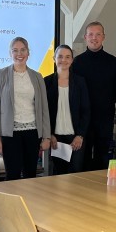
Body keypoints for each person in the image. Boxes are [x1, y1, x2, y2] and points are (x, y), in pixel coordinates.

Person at [0, 37, 51, 180]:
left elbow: (44, 108)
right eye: (15, 50)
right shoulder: (1, 75)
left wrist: (46, 136)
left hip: (33, 133)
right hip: (10, 134)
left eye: (23, 50)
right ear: (10, 54)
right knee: (13, 174)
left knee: (30, 174)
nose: (19, 53)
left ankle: (27, 203)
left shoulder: (37, 76)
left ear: (28, 53)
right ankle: (11, 203)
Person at [72, 21, 116, 171]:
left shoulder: (114, 63)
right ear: (85, 37)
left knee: (103, 158)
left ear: (103, 37)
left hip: (104, 118)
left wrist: (102, 104)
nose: (94, 38)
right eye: (91, 34)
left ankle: (102, 193)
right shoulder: (76, 63)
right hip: (82, 120)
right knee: (83, 158)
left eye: (98, 34)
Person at [43, 45, 90, 174]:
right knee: (58, 176)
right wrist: (49, 134)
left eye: (67, 57)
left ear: (72, 60)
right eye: (60, 56)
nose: (64, 60)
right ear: (54, 58)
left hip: (75, 138)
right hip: (55, 138)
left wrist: (80, 135)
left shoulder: (80, 82)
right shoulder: (46, 82)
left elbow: (86, 111)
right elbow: (43, 113)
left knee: (75, 175)